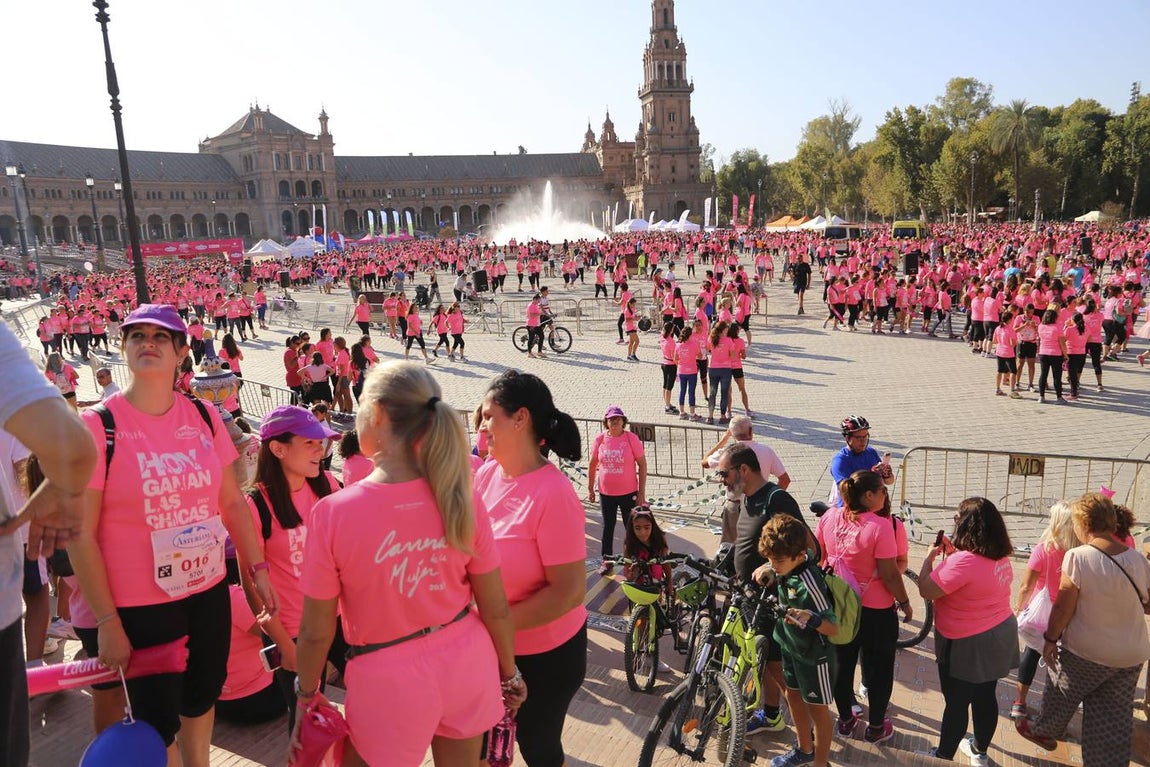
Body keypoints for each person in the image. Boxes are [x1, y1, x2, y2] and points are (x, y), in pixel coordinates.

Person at [69, 304, 276, 767]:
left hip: (205, 590)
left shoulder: (204, 418)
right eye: (136, 335)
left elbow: (233, 504)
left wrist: (257, 569)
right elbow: (79, 533)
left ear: (183, 352)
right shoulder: (99, 426)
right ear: (123, 348)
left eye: (161, 337)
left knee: (201, 696)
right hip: (137, 603)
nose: (148, 343)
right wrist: (106, 621)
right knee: (155, 717)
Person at [293, 362, 524, 766]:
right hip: (467, 661)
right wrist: (510, 674)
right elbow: (495, 606)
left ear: (378, 414)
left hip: (387, 679)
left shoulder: (334, 513)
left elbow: (315, 631)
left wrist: (306, 693)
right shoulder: (460, 498)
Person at [474, 370, 586, 767]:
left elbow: (569, 591)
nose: (482, 426)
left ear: (520, 418)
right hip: (494, 649)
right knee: (485, 747)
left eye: (489, 416)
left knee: (537, 747)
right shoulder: (487, 474)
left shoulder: (553, 494)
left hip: (546, 657)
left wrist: (493, 623)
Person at [0, 319, 96, 767]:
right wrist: (62, 490)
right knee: (37, 595)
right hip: (14, 538)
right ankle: (34, 664)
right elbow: (70, 446)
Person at [1017, 493, 1150, 766]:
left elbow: (1063, 609)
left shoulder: (1078, 557)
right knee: (1111, 724)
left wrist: (1050, 639)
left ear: (1083, 523)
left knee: (1060, 689)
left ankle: (1043, 729)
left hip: (1087, 653)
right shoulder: (1138, 560)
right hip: (1130, 657)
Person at [246, 406, 344, 725]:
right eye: (310, 443)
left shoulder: (328, 484)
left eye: (322, 443)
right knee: (304, 720)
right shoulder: (256, 504)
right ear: (278, 448)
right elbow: (251, 585)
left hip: (339, 618)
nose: (321, 450)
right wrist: (284, 646)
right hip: (291, 630)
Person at [916, 497, 1018, 764]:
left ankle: (943, 756)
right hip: (999, 634)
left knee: (957, 704)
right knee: (985, 696)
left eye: (957, 518)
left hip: (966, 642)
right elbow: (970, 582)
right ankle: (979, 751)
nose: (954, 521)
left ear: (967, 525)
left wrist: (929, 557)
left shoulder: (964, 562)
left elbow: (926, 589)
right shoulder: (999, 554)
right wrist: (951, 558)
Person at [718, 443, 811, 736]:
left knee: (781, 671)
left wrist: (774, 567)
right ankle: (771, 715)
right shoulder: (746, 499)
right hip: (749, 597)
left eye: (724, 473)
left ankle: (807, 737)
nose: (722, 479)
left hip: (773, 601)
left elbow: (811, 548)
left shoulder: (776, 499)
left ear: (743, 469)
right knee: (768, 664)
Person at [815, 470, 912, 745]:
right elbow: (890, 573)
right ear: (868, 495)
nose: (885, 494)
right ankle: (877, 727)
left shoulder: (830, 517)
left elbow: (820, 557)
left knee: (841, 665)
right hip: (876, 611)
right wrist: (905, 603)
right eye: (882, 490)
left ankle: (845, 720)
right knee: (879, 670)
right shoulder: (880, 526)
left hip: (839, 606)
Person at [758, 514, 837, 767]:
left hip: (814, 657)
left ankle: (820, 763)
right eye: (770, 558)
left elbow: (833, 627)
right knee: (792, 695)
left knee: (818, 711)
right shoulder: (788, 564)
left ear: (798, 555)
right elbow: (780, 565)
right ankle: (804, 749)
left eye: (778, 560)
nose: (773, 564)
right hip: (790, 646)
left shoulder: (809, 581)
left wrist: (810, 618)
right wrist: (771, 569)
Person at [1010, 501, 1077, 720]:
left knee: (1031, 653)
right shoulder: (1079, 551)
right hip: (1070, 612)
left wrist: (1019, 608)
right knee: (1065, 660)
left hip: (1043, 614)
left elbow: (1026, 585)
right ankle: (1055, 712)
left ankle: (1019, 702)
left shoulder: (1044, 549)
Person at [703, 415, 790, 544]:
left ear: (732, 434)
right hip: (758, 506)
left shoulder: (727, 452)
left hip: (734, 507)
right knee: (756, 545)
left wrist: (723, 440)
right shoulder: (766, 451)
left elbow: (704, 462)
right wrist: (769, 499)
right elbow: (785, 479)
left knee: (729, 547)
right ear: (751, 431)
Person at [586, 405, 648, 575]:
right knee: (608, 527)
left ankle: (634, 560)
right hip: (606, 494)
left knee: (632, 527)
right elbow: (592, 465)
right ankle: (607, 560)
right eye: (611, 419)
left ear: (623, 421)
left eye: (617, 419)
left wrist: (641, 491)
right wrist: (590, 488)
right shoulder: (599, 440)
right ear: (606, 422)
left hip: (629, 493)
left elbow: (642, 464)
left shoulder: (631, 439)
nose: (614, 422)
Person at [828, 416, 893, 506]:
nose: (863, 441)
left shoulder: (871, 452)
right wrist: (871, 477)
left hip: (874, 506)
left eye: (865, 436)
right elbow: (847, 491)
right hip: (852, 509)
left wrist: (886, 475)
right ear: (847, 438)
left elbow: (889, 482)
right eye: (858, 438)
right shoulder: (840, 461)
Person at [622, 507, 671, 590]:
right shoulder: (629, 544)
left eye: (647, 527)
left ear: (652, 525)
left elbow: (666, 563)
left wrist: (669, 582)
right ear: (632, 527)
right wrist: (631, 574)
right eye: (637, 528)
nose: (643, 533)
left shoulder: (659, 539)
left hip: (655, 578)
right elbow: (627, 569)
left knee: (656, 596)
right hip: (638, 579)